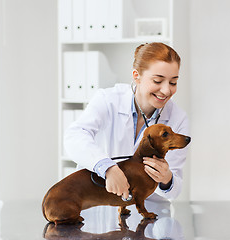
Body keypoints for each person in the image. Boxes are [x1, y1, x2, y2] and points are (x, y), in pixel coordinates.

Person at [64, 42, 189, 202]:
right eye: (157, 81)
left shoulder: (178, 118)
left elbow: (174, 189)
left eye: (173, 82)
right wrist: (107, 167)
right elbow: (74, 137)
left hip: (148, 212)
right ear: (136, 76)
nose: (166, 90)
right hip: (99, 203)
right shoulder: (107, 100)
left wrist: (166, 178)